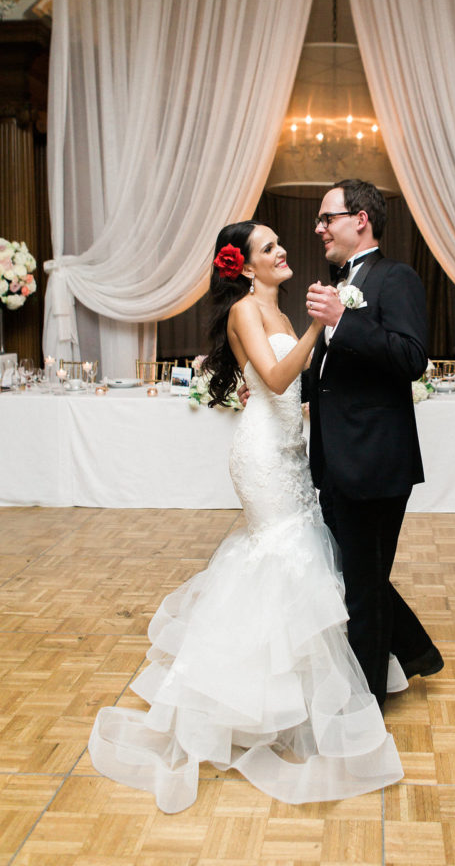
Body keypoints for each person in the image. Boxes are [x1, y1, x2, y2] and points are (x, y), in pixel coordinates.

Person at [88, 220, 404, 814]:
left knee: (299, 556)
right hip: (260, 456)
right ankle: (241, 698)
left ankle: (289, 696)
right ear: (246, 266)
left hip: (290, 450)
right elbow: (279, 378)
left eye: (279, 244)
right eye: (268, 248)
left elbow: (297, 387)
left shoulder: (277, 312)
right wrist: (322, 325)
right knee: (282, 555)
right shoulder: (246, 311)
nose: (282, 251)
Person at [305, 180, 444, 708]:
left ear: (360, 218)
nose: (319, 228)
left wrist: (344, 320)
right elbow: (328, 375)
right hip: (336, 461)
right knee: (359, 577)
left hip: (374, 460)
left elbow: (411, 357)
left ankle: (364, 707)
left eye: (327, 218)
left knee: (363, 587)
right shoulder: (338, 283)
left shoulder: (396, 277)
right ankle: (415, 651)